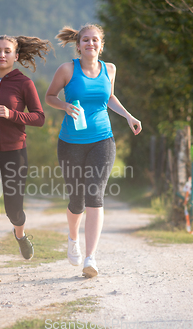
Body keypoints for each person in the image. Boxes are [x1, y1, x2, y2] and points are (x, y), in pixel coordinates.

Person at [45, 24, 142, 278]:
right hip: (70, 142)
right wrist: (64, 106)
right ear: (78, 45)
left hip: (103, 140)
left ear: (101, 44)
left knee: (95, 195)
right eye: (85, 40)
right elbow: (50, 96)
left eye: (95, 40)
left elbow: (109, 97)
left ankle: (90, 258)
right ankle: (72, 238)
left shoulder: (109, 69)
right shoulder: (67, 69)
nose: (90, 44)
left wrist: (128, 116)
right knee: (76, 200)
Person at [0, 35, 52, 285]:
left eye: (7, 51)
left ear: (16, 56)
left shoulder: (24, 83)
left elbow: (39, 117)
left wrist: (12, 114)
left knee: (14, 210)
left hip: (14, 152)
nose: (2, 55)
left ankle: (20, 234)